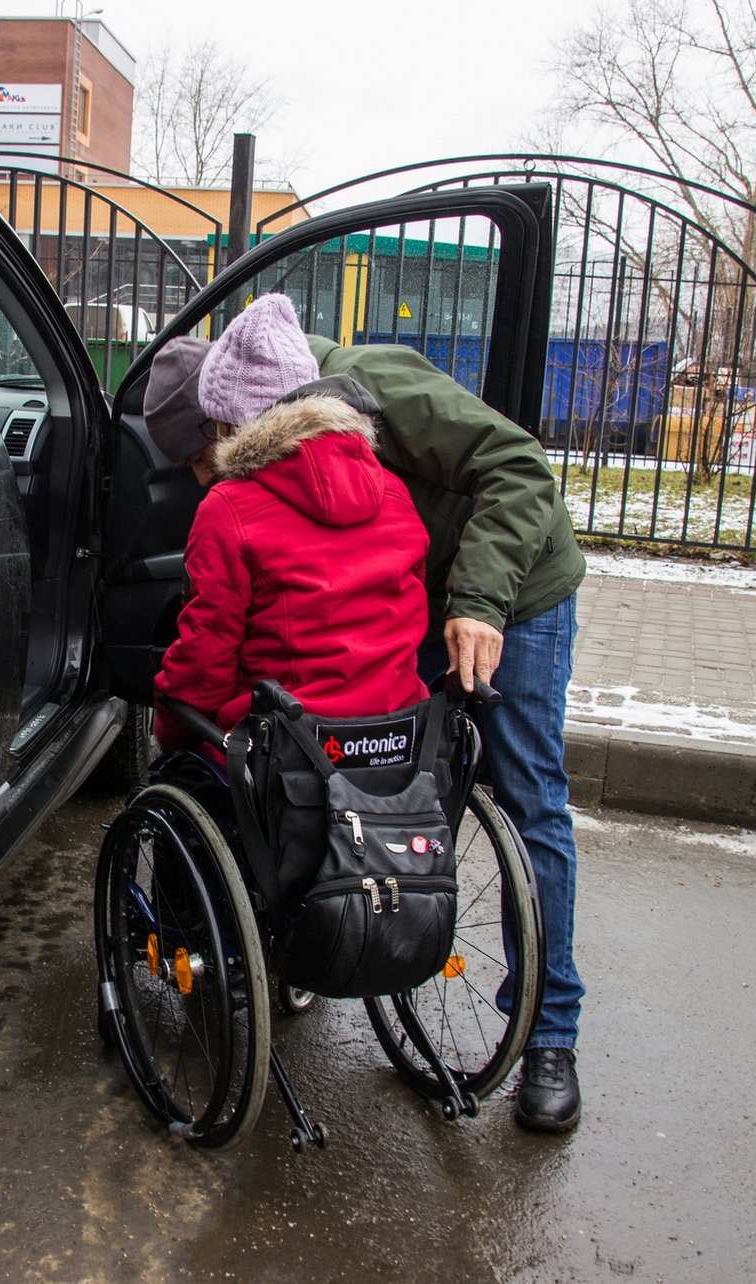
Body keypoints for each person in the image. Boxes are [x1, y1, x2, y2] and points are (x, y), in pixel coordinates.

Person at [145, 296, 588, 1134]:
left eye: (208, 457)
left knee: (528, 800)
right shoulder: (270, 451)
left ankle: (548, 1033)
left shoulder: (378, 380)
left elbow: (521, 468)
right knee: (354, 754)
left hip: (514, 591)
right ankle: (340, 921)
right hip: (417, 588)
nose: (211, 477)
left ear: (234, 414)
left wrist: (480, 603)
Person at [149, 298, 430, 752]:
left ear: (232, 423)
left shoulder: (228, 509)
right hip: (396, 740)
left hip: (289, 751)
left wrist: (174, 732)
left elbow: (206, 659)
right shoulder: (394, 492)